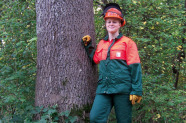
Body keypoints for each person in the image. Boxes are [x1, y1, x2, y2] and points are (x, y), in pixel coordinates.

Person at [82, 3, 142, 123]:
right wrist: (88, 46)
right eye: (109, 21)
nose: (111, 24)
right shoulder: (102, 43)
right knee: (95, 118)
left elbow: (135, 67)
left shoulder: (128, 43)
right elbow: (95, 59)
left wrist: (137, 90)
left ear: (120, 24)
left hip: (123, 90)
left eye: (114, 21)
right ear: (105, 24)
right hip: (104, 89)